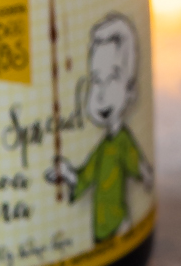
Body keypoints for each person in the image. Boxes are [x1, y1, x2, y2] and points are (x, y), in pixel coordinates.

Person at [58, 14, 147, 245]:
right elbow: (86, 176)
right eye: (97, 80)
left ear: (130, 91)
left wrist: (145, 173)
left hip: (119, 224)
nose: (101, 94)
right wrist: (68, 174)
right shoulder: (101, 149)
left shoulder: (123, 141)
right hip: (100, 225)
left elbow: (136, 163)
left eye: (113, 79)